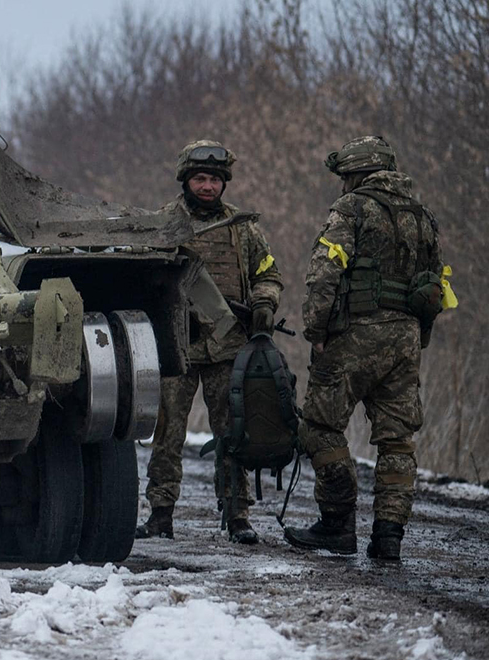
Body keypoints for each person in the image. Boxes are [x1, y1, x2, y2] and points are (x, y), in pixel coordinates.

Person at [284, 136, 447, 561]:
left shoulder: (351, 209)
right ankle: (388, 536)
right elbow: (436, 287)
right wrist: (418, 337)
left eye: (345, 178)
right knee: (397, 442)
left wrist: (316, 330)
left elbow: (324, 272)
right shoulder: (424, 217)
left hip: (354, 337)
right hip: (405, 340)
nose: (341, 186)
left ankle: (338, 524)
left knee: (319, 426)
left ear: (356, 173)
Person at [136, 140, 283, 545]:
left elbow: (268, 273)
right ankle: (160, 514)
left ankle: (238, 515)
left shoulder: (243, 228)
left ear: (224, 183)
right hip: (176, 345)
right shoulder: (163, 224)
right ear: (186, 180)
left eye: (214, 180)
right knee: (167, 433)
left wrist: (264, 302)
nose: (207, 186)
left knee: (233, 432)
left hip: (227, 345)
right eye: (200, 178)